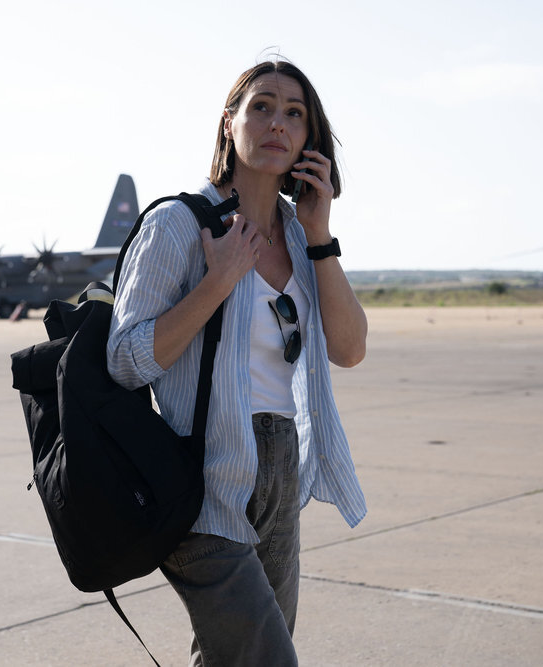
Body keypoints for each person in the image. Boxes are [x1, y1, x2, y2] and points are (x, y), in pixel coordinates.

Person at [107, 58, 367, 666]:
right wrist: (218, 280)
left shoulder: (303, 237)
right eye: (262, 107)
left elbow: (350, 349)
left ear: (309, 138)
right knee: (267, 661)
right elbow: (124, 360)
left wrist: (321, 233)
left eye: (295, 114)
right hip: (199, 474)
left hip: (280, 465)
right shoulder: (178, 224)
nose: (278, 123)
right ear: (230, 123)